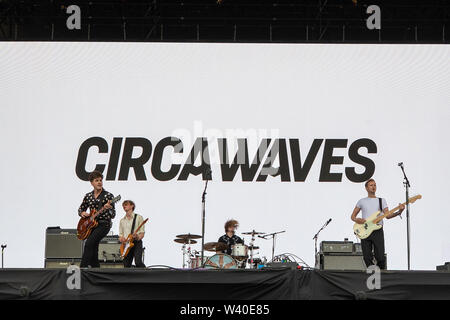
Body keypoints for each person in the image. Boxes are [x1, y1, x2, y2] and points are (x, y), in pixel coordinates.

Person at [351, 179, 405, 269]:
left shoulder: (381, 201)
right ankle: (372, 272)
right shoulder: (361, 201)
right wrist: (358, 220)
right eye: (371, 185)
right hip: (365, 230)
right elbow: (352, 217)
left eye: (375, 185)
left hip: (377, 230)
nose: (373, 187)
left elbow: (388, 215)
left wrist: (399, 211)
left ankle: (381, 274)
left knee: (380, 256)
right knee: (367, 257)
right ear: (366, 188)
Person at [78, 170, 116, 268]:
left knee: (89, 243)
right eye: (96, 180)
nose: (99, 182)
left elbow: (113, 214)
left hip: (104, 225)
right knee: (94, 247)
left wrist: (110, 208)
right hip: (91, 225)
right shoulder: (88, 196)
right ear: (91, 183)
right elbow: (81, 208)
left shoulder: (108, 195)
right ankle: (96, 269)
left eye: (100, 180)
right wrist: (82, 213)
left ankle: (82, 268)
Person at [119, 200, 146, 268]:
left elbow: (142, 233)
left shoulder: (138, 217)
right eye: (123, 205)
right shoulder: (122, 220)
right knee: (126, 265)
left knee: (138, 262)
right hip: (126, 244)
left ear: (132, 206)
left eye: (126, 204)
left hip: (136, 242)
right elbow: (120, 235)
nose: (124, 206)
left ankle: (146, 274)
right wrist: (122, 239)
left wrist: (137, 236)